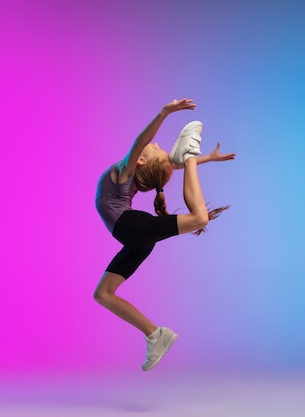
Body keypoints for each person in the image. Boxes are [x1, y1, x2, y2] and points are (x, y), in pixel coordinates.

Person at [94, 98, 235, 371]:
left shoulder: (124, 173)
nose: (156, 143)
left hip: (132, 228)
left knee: (198, 218)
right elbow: (167, 161)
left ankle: (190, 151)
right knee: (103, 294)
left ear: (141, 161)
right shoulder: (130, 175)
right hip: (135, 239)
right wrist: (211, 158)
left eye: (155, 146)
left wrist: (164, 113)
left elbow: (140, 142)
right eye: (157, 145)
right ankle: (156, 335)